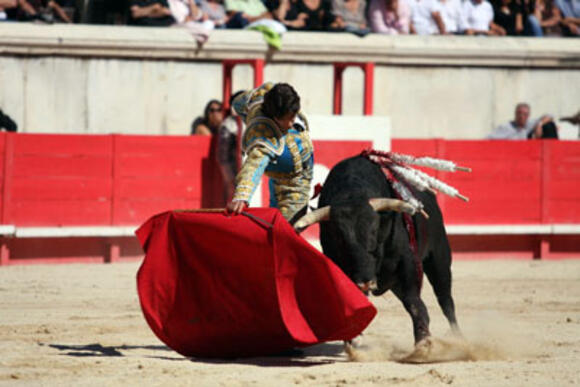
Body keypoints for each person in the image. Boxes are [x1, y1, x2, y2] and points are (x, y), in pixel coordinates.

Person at [226, 82, 313, 224]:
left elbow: (238, 102)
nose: (292, 122)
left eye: (293, 116)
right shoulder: (263, 134)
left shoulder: (263, 96)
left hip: (282, 175)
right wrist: (242, 196)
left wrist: (248, 115)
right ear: (275, 117)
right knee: (286, 230)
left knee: (278, 227)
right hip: (293, 187)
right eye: (288, 119)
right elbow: (254, 164)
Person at [216, 91, 245, 203]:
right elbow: (223, 155)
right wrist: (229, 177)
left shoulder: (254, 122)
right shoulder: (229, 124)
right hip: (236, 170)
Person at [487, 102, 556, 139]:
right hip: (511, 154)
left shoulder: (531, 123)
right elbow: (488, 139)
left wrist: (539, 125)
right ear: (515, 114)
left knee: (549, 126)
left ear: (528, 115)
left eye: (525, 114)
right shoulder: (506, 127)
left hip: (528, 154)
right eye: (519, 113)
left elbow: (550, 116)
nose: (521, 116)